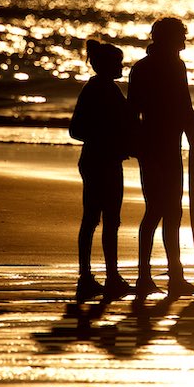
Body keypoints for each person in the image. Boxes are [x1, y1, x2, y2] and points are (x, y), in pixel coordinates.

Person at [129, 17, 194, 297]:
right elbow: (185, 108)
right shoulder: (173, 66)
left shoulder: (141, 67)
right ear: (171, 39)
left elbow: (131, 112)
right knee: (164, 212)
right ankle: (161, 278)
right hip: (164, 148)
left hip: (153, 147)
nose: (184, 43)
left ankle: (156, 277)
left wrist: (134, 145)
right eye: (181, 37)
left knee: (162, 211)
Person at [69, 39, 136, 302]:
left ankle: (105, 276)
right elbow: (76, 130)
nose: (121, 66)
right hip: (100, 162)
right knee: (98, 220)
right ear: (106, 65)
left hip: (104, 161)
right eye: (117, 62)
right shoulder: (98, 89)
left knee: (105, 220)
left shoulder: (106, 88)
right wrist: (108, 139)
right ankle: (92, 277)